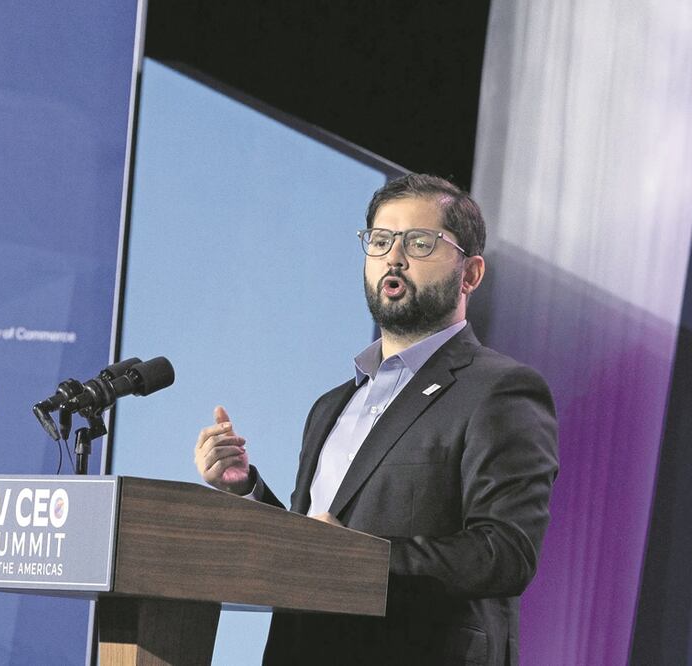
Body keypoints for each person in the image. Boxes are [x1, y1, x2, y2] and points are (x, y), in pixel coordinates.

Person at [194, 174, 558, 665]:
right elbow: (315, 546)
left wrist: (358, 559)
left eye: (420, 242)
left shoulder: (500, 390)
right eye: (381, 241)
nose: (394, 257)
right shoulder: (331, 406)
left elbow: (505, 553)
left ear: (470, 274)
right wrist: (248, 492)